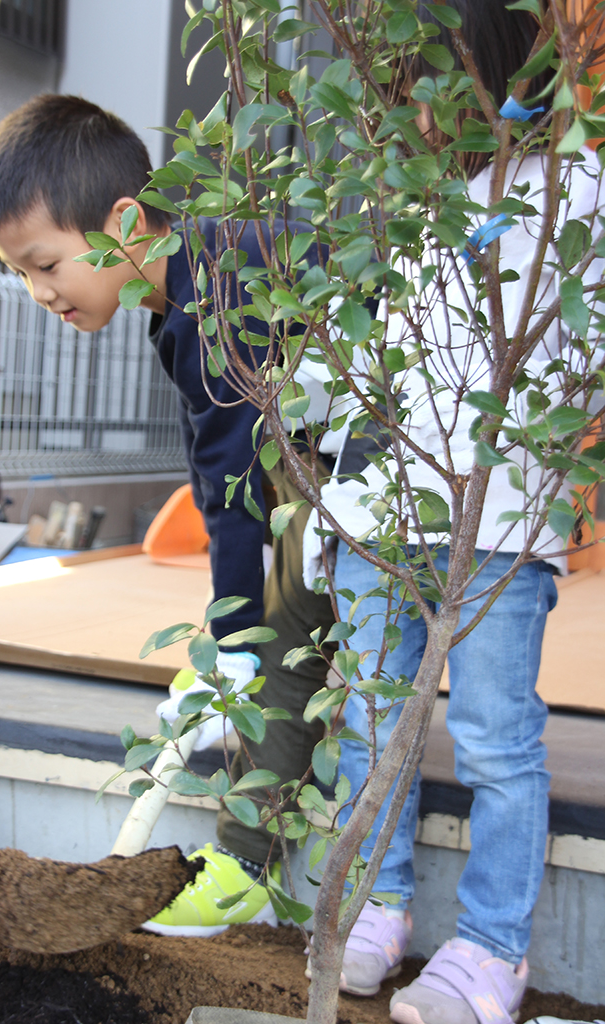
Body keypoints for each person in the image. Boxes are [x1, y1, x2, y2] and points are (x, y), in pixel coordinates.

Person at [0, 94, 338, 934]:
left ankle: (248, 866)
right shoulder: (180, 298)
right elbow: (215, 477)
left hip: (395, 467)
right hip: (322, 466)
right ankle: (256, 850)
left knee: (283, 631)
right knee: (276, 623)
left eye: (47, 264)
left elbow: (244, 481)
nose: (37, 292)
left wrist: (237, 632)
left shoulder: (220, 289)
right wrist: (224, 630)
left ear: (126, 222)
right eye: (19, 273)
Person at [301, 3, 604, 1022]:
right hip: (376, 518)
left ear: (495, 72)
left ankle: (490, 947)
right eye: (401, 93)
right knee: (370, 718)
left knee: (493, 737)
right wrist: (327, 507)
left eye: (436, 85)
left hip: (501, 521)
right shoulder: (397, 213)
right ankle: (377, 908)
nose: (419, 116)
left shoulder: (573, 187)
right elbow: (351, 378)